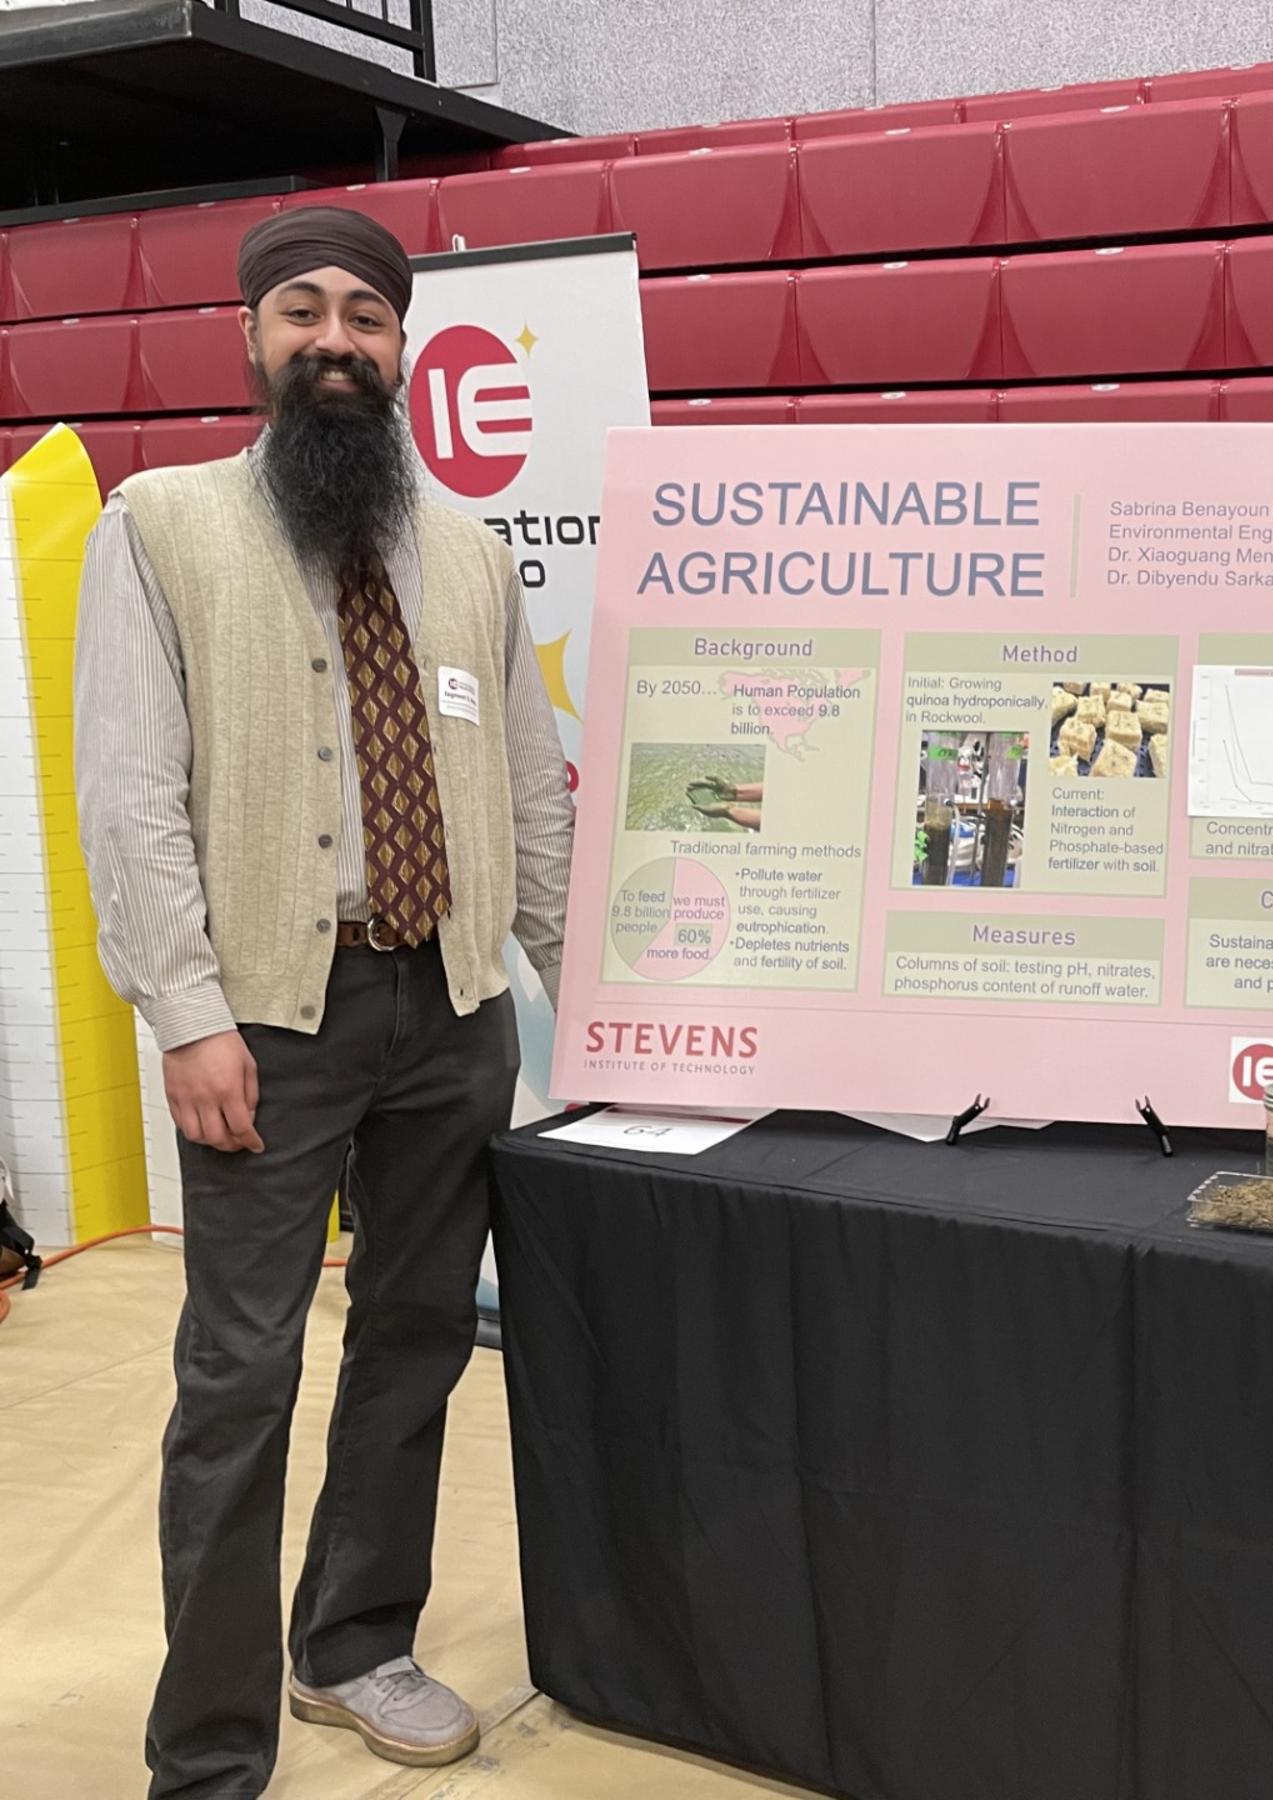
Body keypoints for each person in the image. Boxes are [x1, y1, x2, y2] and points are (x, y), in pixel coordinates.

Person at [73, 207, 575, 1799]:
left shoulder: (474, 555)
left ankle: (355, 1641)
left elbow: (526, 794)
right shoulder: (161, 527)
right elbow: (130, 796)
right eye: (304, 310)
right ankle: (209, 1749)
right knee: (240, 1374)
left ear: (408, 345)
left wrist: (581, 991)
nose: (337, 338)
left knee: (419, 1339)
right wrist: (186, 1013)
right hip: (268, 1022)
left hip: (452, 1010)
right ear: (252, 336)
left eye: (368, 312)